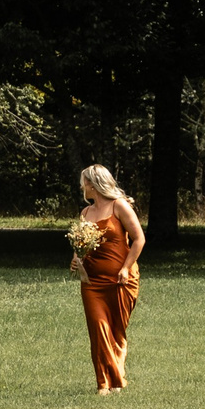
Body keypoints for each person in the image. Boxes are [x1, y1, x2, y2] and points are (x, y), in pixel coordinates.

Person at [73, 163, 143, 394]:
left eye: (84, 181)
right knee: (98, 329)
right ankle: (104, 383)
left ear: (93, 185)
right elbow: (80, 244)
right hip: (92, 282)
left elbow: (139, 239)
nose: (82, 185)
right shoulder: (85, 213)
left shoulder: (119, 206)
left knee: (116, 331)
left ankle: (115, 378)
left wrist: (125, 268)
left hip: (121, 280)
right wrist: (76, 259)